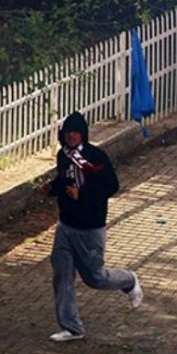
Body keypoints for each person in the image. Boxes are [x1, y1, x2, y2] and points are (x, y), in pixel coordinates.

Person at [45, 110, 142, 342]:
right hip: (66, 226)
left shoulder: (95, 157)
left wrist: (83, 194)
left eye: (76, 133)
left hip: (89, 228)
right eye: (68, 133)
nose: (71, 137)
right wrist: (52, 189)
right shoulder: (63, 155)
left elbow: (111, 186)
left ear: (83, 135)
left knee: (94, 277)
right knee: (62, 274)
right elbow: (63, 179)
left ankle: (129, 280)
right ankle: (72, 327)